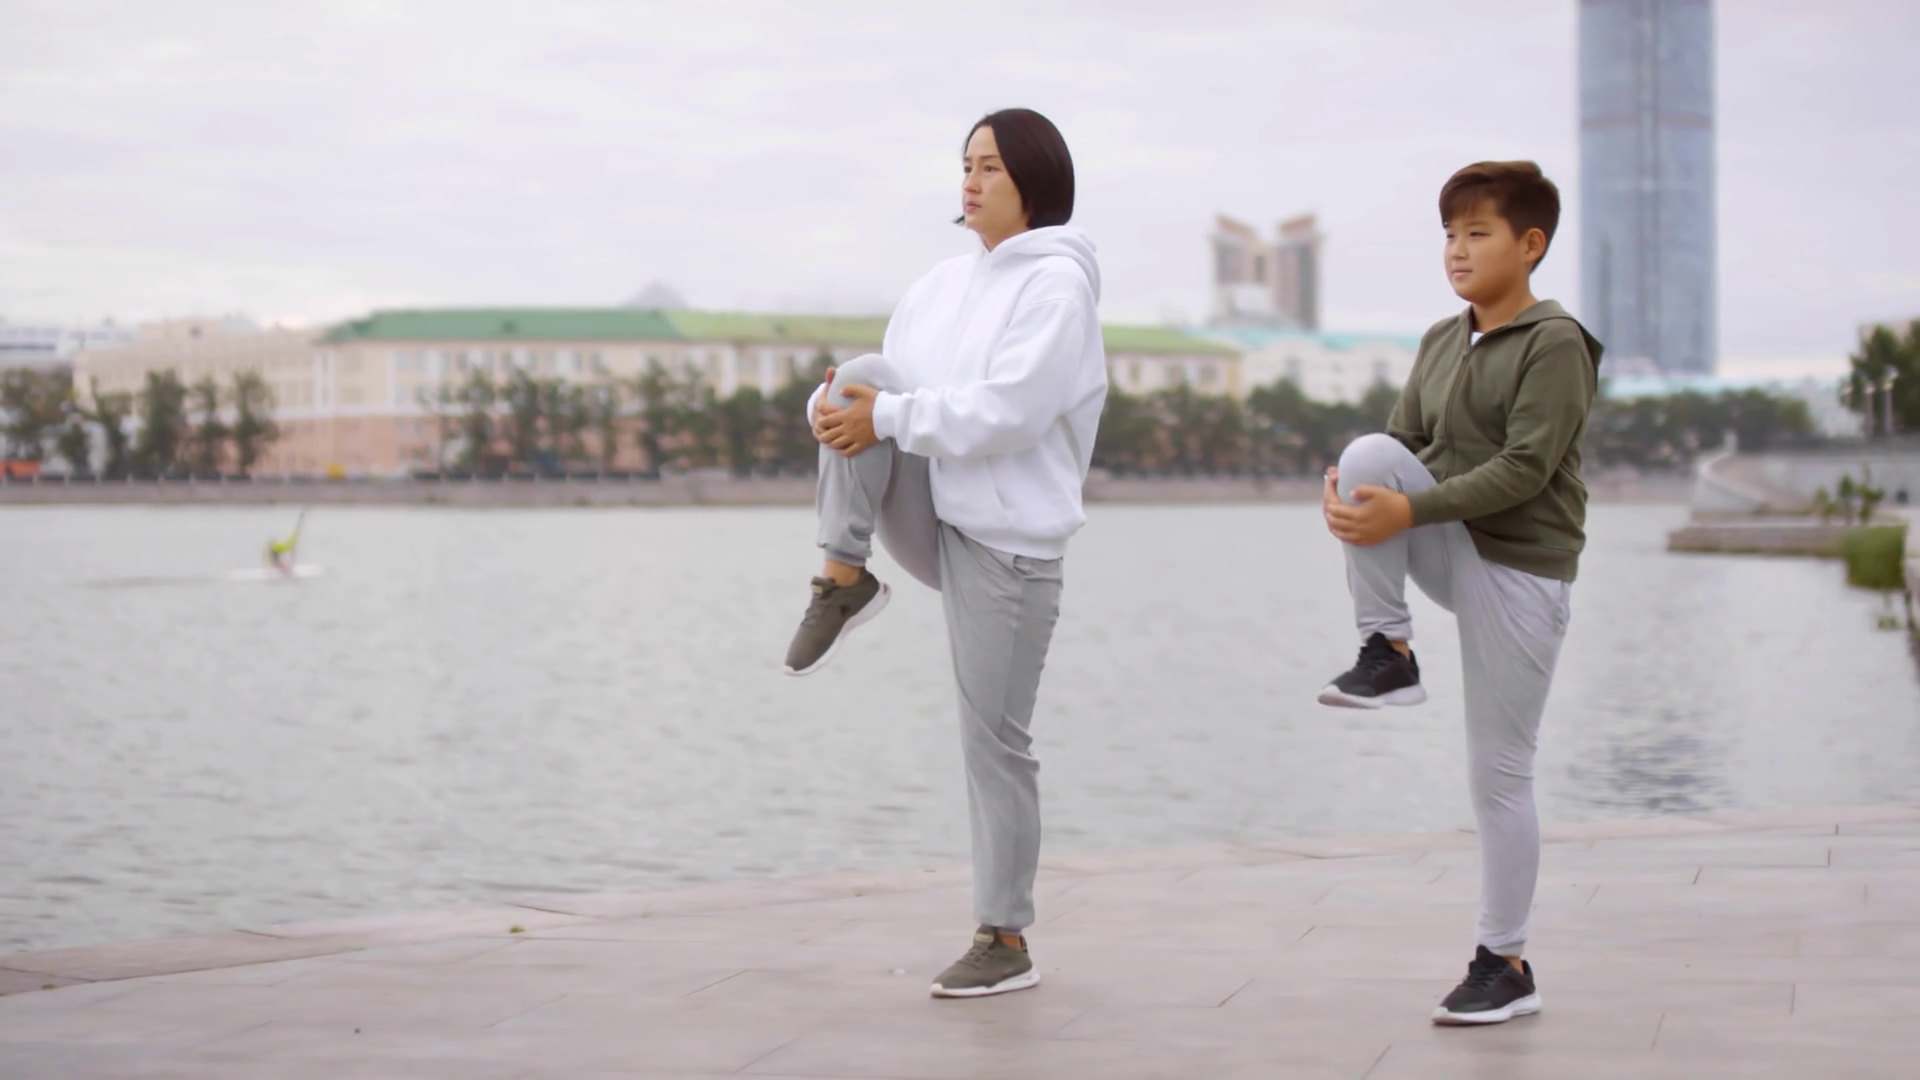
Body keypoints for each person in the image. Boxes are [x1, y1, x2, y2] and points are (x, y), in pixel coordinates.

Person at [782, 108, 1107, 999]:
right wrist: (833, 408)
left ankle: (1004, 939)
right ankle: (842, 575)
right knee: (862, 372)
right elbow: (886, 400)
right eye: (966, 164)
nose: (970, 180)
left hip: (1009, 544)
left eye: (991, 166)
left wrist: (882, 415)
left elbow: (1013, 412)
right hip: (933, 515)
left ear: (1035, 180)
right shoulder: (936, 285)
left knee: (993, 743)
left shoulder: (1058, 287)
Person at [1317, 161, 1601, 1025]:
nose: (1457, 250)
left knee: (1499, 776)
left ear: (1530, 244)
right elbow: (1405, 446)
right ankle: (1389, 651)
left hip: (1524, 570)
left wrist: (1408, 509)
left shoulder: (1557, 343)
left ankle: (1504, 963)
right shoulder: (1443, 339)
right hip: (1455, 544)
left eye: (1478, 233)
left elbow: (1525, 469)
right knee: (1366, 456)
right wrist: (1357, 500)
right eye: (1449, 233)